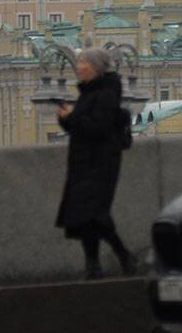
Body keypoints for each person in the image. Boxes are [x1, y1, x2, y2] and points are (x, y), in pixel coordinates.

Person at [54, 47, 136, 280]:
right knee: (86, 217)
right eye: (78, 63)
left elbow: (98, 128)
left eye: (84, 63)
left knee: (93, 214)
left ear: (97, 68)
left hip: (100, 164)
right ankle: (96, 265)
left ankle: (116, 257)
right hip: (84, 163)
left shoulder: (106, 95)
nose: (78, 67)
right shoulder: (90, 93)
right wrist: (65, 121)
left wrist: (73, 117)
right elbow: (81, 129)